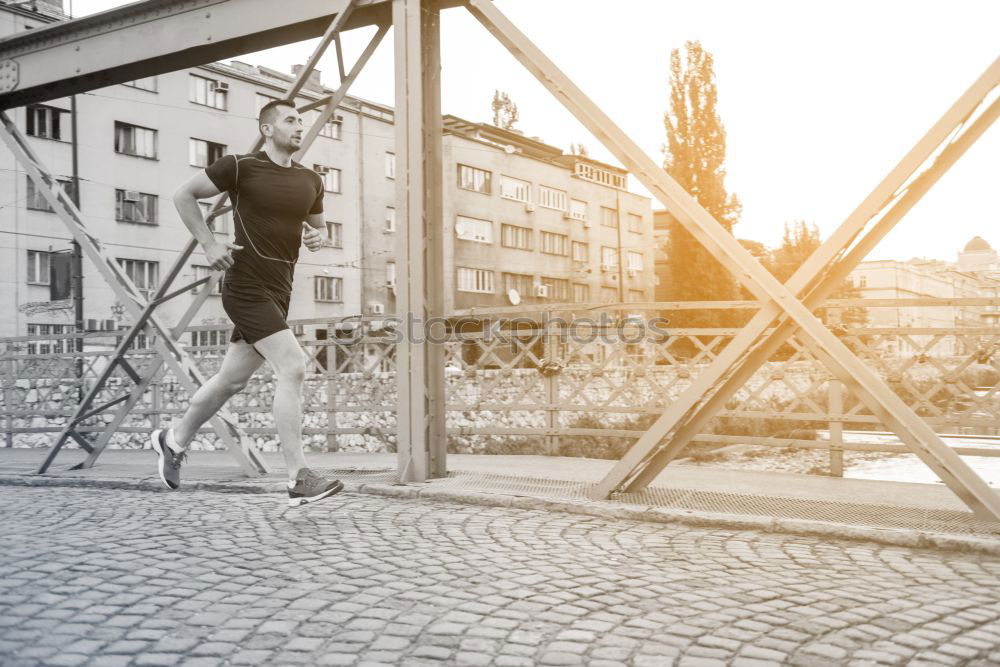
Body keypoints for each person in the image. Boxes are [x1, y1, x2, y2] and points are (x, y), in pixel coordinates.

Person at [150, 99, 343, 507]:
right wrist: (208, 242)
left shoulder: (312, 180)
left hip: (280, 289)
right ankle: (298, 477)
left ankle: (174, 439)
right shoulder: (239, 167)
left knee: (231, 380)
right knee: (293, 365)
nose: (299, 127)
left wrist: (318, 237)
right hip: (246, 286)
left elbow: (318, 227)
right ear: (267, 129)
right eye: (290, 120)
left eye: (301, 122)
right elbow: (183, 194)